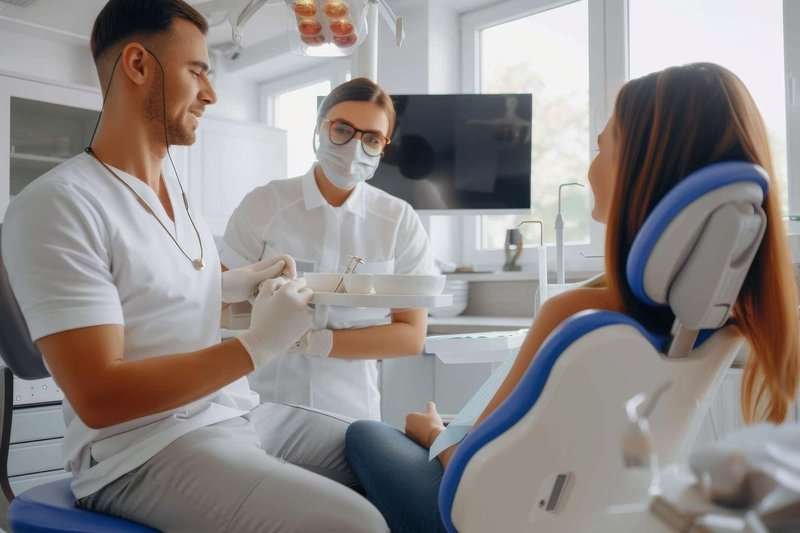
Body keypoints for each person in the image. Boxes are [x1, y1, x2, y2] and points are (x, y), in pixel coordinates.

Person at [344, 62, 800, 532]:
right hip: (584, 516)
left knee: (365, 434)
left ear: (642, 168)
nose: (591, 166)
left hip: (478, 514)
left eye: (603, 146)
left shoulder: (576, 314)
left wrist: (434, 433)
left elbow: (473, 469)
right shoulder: (718, 325)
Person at [1, 1, 388, 531]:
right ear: (138, 65)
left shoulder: (177, 196)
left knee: (390, 459)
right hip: (140, 449)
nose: (211, 94)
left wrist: (234, 287)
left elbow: (155, 295)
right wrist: (258, 345)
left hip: (231, 414)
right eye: (197, 72)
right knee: (354, 524)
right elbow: (99, 395)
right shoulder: (60, 202)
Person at [221, 78, 435, 485]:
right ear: (320, 127)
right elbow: (217, 307)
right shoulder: (265, 204)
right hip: (263, 409)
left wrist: (311, 341)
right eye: (342, 130)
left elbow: (409, 336)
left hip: (349, 419)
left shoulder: (398, 221)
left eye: (372, 138)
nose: (354, 148)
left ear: (384, 147)